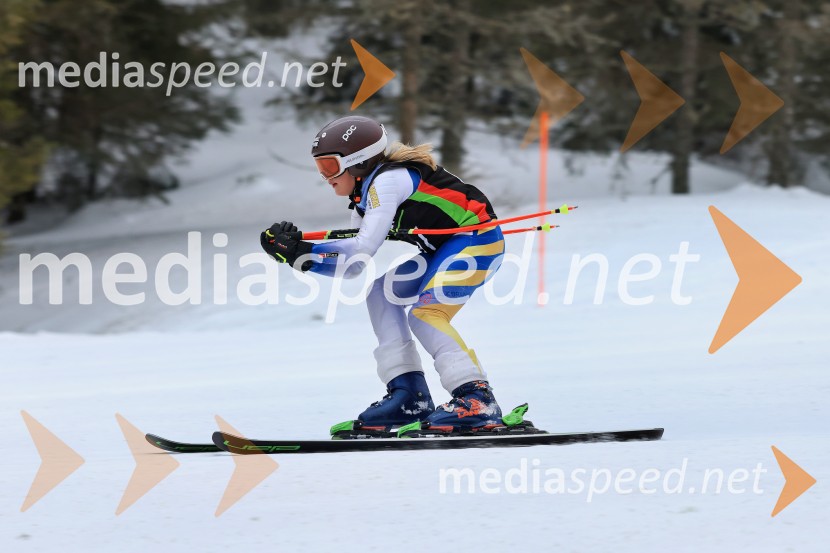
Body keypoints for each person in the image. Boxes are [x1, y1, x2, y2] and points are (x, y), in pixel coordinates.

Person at [260, 115, 506, 434]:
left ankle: (477, 399)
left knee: (426, 314)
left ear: (358, 162)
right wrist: (298, 256)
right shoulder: (364, 198)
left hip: (478, 242)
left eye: (330, 168)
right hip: (440, 250)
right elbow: (352, 267)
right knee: (380, 293)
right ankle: (409, 397)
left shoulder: (388, 181)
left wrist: (305, 249)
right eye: (320, 169)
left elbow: (361, 247)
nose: (325, 177)